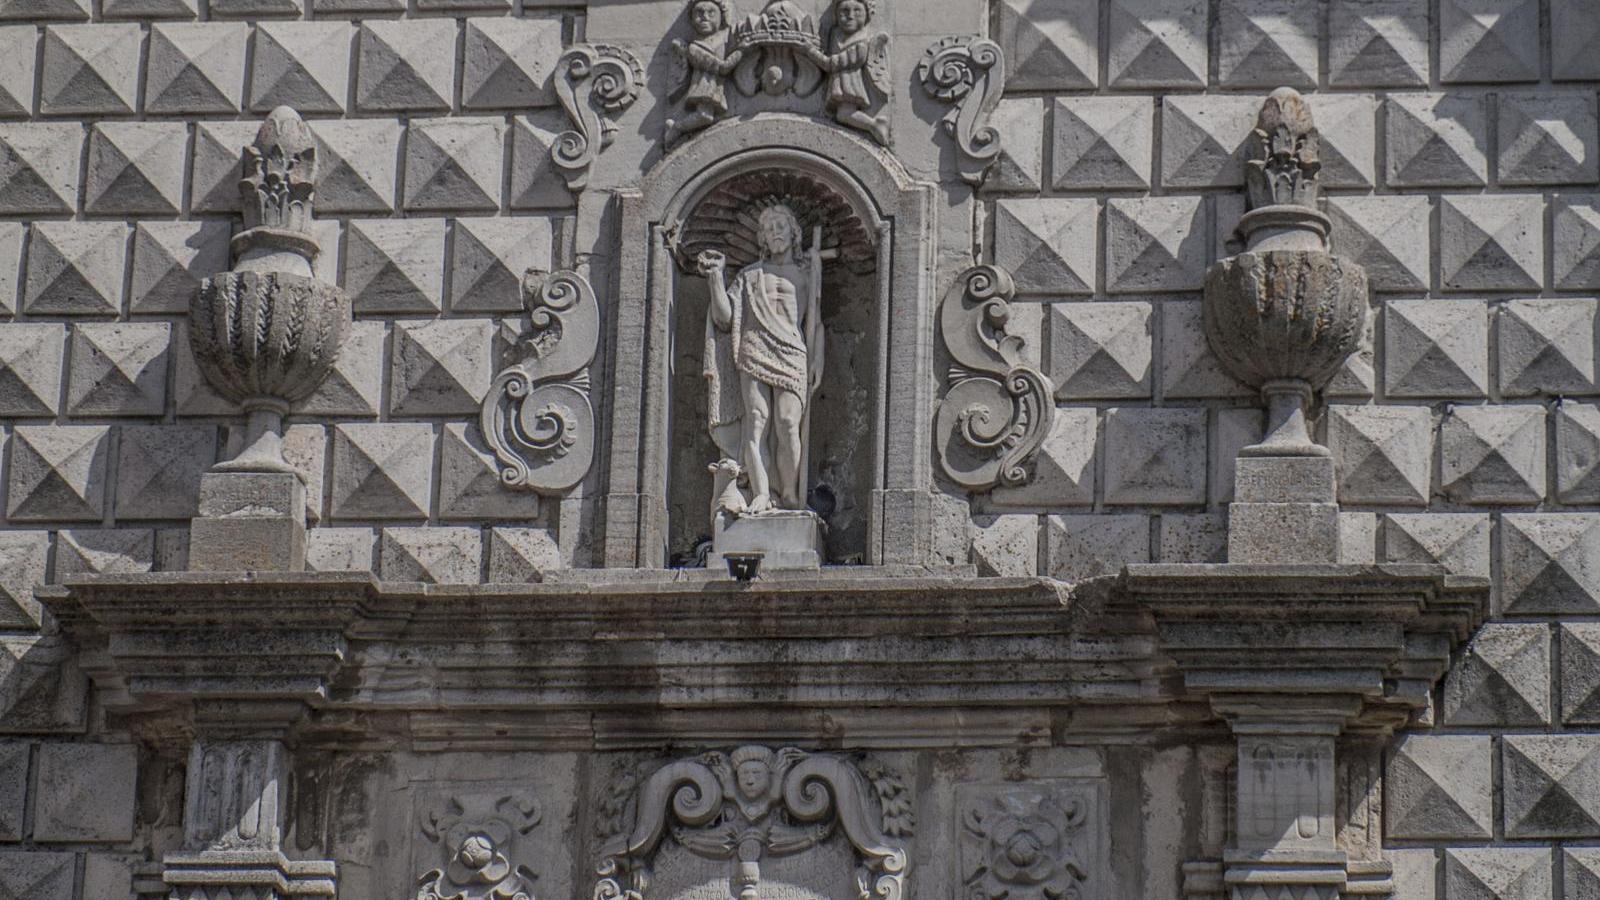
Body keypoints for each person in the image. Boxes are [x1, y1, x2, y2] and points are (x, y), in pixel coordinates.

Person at [698, 203, 823, 513]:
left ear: (793, 233)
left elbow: (816, 322)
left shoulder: (807, 273)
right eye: (768, 229)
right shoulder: (749, 275)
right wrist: (715, 277)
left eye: (780, 226)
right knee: (756, 423)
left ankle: (789, 494)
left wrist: (818, 359)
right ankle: (762, 493)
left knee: (788, 422)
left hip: (792, 350)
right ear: (762, 239)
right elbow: (724, 319)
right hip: (754, 348)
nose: (774, 233)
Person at [807, 0, 891, 145]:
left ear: (867, 15)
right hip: (839, 84)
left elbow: (832, 64)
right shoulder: (836, 35)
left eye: (857, 11)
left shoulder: (861, 45)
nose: (850, 16)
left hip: (850, 86)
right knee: (842, 115)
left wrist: (810, 52)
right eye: (844, 11)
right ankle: (873, 125)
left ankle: (875, 125)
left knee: (843, 115)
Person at [666, 0, 741, 145]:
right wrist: (741, 52)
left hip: (715, 89)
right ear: (691, 19)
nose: (705, 17)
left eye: (711, 13)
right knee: (705, 117)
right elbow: (722, 68)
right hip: (704, 88)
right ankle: (676, 128)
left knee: (708, 118)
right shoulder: (694, 48)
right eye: (699, 13)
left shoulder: (722, 41)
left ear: (722, 17)